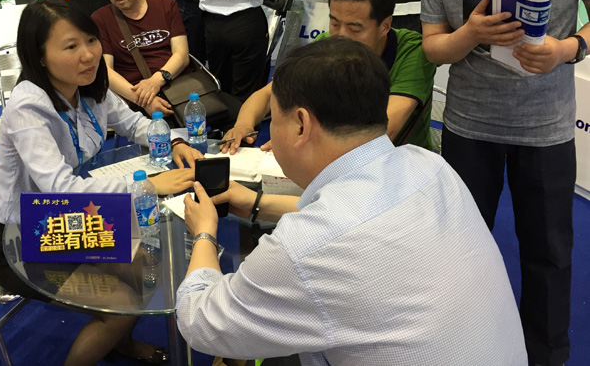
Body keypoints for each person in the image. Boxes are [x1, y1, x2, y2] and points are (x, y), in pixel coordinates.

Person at [176, 37, 527, 365]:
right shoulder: (429, 166)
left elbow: (198, 321)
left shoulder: (301, 249)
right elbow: (356, 222)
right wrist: (257, 203)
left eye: (274, 117)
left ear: (301, 125)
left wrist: (204, 232)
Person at [419, 0, 590, 366]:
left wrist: (567, 49)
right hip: (469, 127)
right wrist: (470, 34)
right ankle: (461, 347)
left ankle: (545, 355)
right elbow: (433, 47)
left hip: (546, 129)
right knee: (461, 249)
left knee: (549, 255)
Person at [0, 0, 203, 366]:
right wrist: (149, 185)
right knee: (123, 303)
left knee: (147, 269)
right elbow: (61, 189)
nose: (88, 55)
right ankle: (116, 331)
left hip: (65, 219)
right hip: (20, 236)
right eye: (71, 47)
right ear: (39, 57)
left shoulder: (88, 86)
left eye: (91, 41)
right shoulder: (28, 107)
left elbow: (133, 123)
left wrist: (173, 140)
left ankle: (119, 341)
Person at [222, 0, 435, 152]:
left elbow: (384, 131)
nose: (341, 36)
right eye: (334, 23)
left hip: (400, 163)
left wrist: (305, 144)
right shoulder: (325, 45)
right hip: (334, 158)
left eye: (354, 29)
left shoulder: (413, 52)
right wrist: (243, 125)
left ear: (385, 26)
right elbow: (269, 94)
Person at [92, 0, 189, 116]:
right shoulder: (101, 18)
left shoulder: (166, 6)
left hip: (176, 85)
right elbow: (105, 70)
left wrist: (155, 81)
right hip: (134, 95)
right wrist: (142, 100)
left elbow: (182, 54)